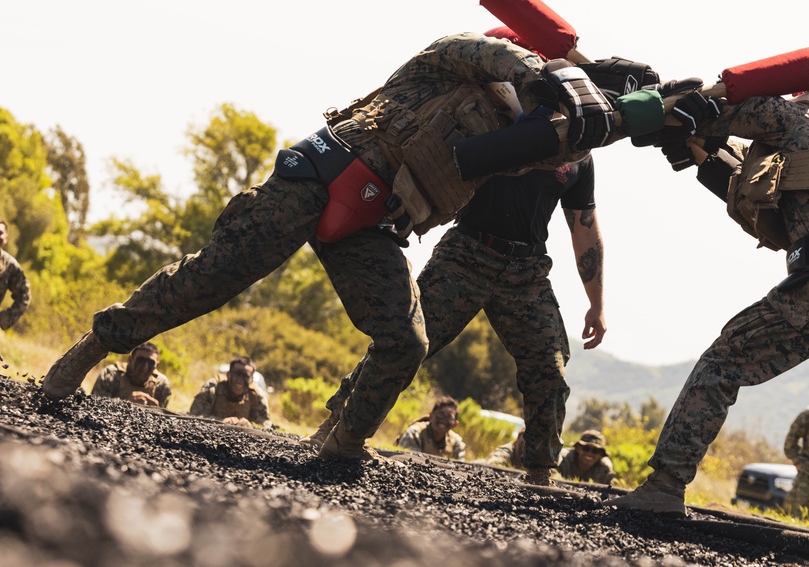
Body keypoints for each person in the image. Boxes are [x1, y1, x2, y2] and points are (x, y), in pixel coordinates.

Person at [40, 31, 661, 462]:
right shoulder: (450, 60)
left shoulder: (517, 139)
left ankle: (339, 448)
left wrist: (636, 113)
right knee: (209, 279)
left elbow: (570, 155)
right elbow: (502, 59)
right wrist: (555, 76)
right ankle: (94, 345)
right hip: (316, 179)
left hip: (369, 225)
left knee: (406, 341)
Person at [609, 37, 809, 551]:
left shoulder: (797, 118)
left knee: (722, 365)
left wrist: (678, 108)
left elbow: (719, 113)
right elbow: (781, 200)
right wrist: (704, 155)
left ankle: (664, 487)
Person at [302, 151, 607, 485]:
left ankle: (538, 473)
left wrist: (597, 304)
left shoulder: (581, 155)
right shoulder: (514, 116)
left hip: (526, 270)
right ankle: (336, 429)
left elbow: (584, 227)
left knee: (549, 371)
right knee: (406, 344)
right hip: (466, 254)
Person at [189, 356, 271, 429]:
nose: (240, 380)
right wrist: (221, 421)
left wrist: (249, 425)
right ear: (228, 375)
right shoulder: (213, 387)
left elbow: (265, 425)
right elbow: (195, 415)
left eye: (245, 376)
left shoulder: (256, 395)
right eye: (237, 374)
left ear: (251, 380)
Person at [91, 341, 172, 409]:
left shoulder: (161, 384)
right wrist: (125, 403)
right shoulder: (110, 375)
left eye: (151, 363)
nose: (145, 368)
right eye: (140, 361)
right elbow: (95, 407)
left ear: (157, 365)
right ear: (130, 360)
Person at [395, 396, 466, 460]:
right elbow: (409, 460)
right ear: (431, 416)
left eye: (449, 417)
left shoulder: (456, 443)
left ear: (455, 424)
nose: (443, 420)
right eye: (440, 414)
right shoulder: (414, 433)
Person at [0, 220, 30, 332]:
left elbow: (24, 294)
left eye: (0, 233)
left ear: (6, 238)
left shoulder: (10, 266)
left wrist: (5, 318)